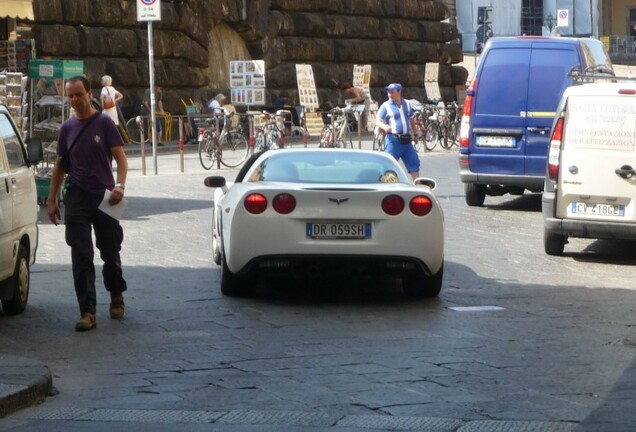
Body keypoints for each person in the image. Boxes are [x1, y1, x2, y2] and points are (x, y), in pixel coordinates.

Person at [47, 75, 129, 332]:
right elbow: (59, 166)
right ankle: (87, 311)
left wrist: (120, 186)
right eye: (70, 96)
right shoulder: (67, 129)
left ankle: (116, 293)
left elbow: (121, 159)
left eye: (78, 94)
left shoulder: (105, 123)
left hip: (105, 195)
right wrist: (52, 200)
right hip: (77, 196)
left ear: (89, 93)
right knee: (81, 254)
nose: (74, 100)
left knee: (110, 251)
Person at [375, 82, 420, 181]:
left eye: (392, 92)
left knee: (414, 163)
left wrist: (415, 134)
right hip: (393, 140)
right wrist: (384, 126)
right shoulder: (385, 105)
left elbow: (412, 120)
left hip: (407, 141)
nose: (390, 95)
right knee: (388, 165)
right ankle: (386, 187)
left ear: (399, 92)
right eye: (388, 93)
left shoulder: (407, 104)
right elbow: (377, 120)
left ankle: (418, 185)